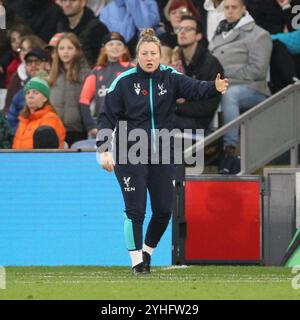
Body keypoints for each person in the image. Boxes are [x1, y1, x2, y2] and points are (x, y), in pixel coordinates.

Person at [96, 28, 228, 275]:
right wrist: (104, 150)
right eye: (144, 53)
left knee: (164, 210)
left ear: (160, 56)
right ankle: (136, 262)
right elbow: (105, 118)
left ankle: (147, 252)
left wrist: (214, 86)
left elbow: (195, 89)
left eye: (153, 53)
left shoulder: (171, 78)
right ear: (137, 56)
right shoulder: (122, 83)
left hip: (163, 153)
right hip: (129, 153)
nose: (149, 58)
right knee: (135, 210)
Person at [209, 0, 272, 174]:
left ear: (243, 9)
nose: (229, 11)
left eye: (234, 7)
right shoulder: (219, 33)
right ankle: (204, 144)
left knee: (229, 94)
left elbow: (257, 71)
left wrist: (224, 74)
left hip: (253, 89)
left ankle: (230, 147)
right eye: (227, 8)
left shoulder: (259, 35)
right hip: (221, 84)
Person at [79, 32, 134, 139]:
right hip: (103, 128)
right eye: (111, 44)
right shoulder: (96, 72)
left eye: (119, 44)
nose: (115, 47)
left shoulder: (133, 70)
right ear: (104, 49)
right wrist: (90, 126)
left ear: (124, 49)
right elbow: (84, 100)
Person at [174, 15, 223, 134]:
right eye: (179, 29)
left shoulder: (211, 64)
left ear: (198, 36)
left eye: (188, 29)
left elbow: (209, 106)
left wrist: (179, 105)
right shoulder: (175, 60)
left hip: (198, 123)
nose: (182, 33)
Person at [48, 32, 90, 147]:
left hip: (78, 131)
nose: (65, 52)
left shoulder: (86, 74)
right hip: (55, 129)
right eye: (61, 48)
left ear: (77, 50)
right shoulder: (52, 75)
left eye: (69, 48)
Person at [12, 76, 65, 149]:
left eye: (35, 93)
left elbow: (46, 151)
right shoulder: (24, 120)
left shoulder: (50, 119)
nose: (30, 96)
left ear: (45, 98)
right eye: (27, 93)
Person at [7, 47, 49, 133]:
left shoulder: (55, 86)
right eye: (29, 62)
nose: (33, 65)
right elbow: (11, 119)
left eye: (37, 61)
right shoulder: (20, 93)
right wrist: (22, 133)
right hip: (23, 140)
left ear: (46, 64)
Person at [56, 0, 109, 67]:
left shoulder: (96, 27)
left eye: (73, 1)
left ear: (83, 3)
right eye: (64, 1)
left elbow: (104, 58)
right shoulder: (60, 25)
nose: (67, 4)